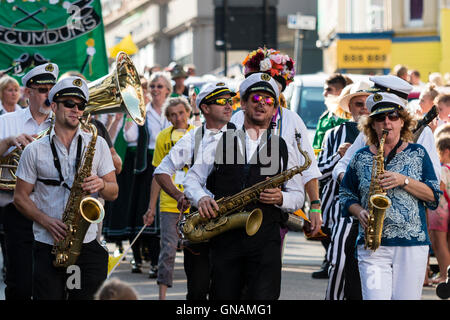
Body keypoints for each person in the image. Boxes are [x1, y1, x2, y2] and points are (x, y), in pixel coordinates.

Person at [183, 73, 304, 300]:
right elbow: (192, 180)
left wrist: (281, 199)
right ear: (244, 105)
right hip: (225, 236)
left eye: (268, 101)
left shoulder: (284, 147)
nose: (262, 104)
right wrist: (202, 198)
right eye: (256, 98)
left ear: (274, 110)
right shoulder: (218, 139)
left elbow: (298, 195)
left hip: (265, 239)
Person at [13, 76, 118, 299]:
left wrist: (101, 184)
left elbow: (114, 191)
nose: (76, 110)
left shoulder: (96, 143)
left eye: (80, 105)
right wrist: (46, 221)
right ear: (54, 106)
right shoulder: (34, 150)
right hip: (47, 244)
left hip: (86, 244)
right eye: (69, 104)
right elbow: (20, 198)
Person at [339, 91, 441, 300]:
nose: (387, 123)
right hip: (373, 247)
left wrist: (403, 180)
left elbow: (433, 196)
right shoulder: (361, 156)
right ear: (372, 125)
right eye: (380, 118)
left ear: (402, 122)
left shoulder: (418, 153)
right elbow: (346, 193)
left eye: (393, 117)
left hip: (411, 246)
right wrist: (358, 211)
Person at [149, 82, 236, 300]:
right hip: (200, 222)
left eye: (230, 101)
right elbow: (161, 171)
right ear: (205, 108)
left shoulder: (242, 134)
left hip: (231, 222)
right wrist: (179, 195)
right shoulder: (193, 137)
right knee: (197, 289)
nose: (228, 106)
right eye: (222, 101)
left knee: (226, 291)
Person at [237, 47, 323, 243]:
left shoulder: (293, 120)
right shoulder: (236, 119)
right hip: (239, 210)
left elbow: (308, 166)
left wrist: (315, 206)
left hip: (277, 209)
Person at [0, 62, 58, 300]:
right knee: (20, 283)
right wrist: (9, 142)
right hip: (17, 209)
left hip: (54, 207)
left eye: (52, 90)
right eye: (43, 90)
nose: (48, 96)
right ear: (28, 93)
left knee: (50, 283)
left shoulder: (62, 122)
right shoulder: (7, 122)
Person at [318, 81, 371, 300]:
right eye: (359, 104)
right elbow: (318, 173)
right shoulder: (333, 134)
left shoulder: (382, 132)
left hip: (374, 215)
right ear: (349, 107)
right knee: (339, 267)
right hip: (341, 215)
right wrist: (339, 156)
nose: (364, 109)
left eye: (368, 103)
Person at [143, 97, 195, 299]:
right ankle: (162, 295)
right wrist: (150, 208)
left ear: (188, 112)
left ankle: (195, 293)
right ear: (167, 117)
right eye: (172, 115)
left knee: (194, 250)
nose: (178, 117)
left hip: (193, 203)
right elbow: (157, 175)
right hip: (169, 203)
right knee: (168, 251)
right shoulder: (163, 137)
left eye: (181, 113)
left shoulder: (197, 134)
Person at [123, 71, 172, 275]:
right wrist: (128, 115)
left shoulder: (174, 110)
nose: (155, 90)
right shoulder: (141, 111)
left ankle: (156, 261)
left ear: (168, 91)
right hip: (147, 166)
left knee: (164, 214)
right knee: (142, 212)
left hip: (169, 165)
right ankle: (139, 259)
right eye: (152, 86)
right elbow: (130, 137)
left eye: (160, 86)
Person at [428, 130, 450, 284]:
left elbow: (440, 188)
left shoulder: (443, 169)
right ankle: (445, 273)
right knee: (444, 243)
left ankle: (445, 275)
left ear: (445, 151)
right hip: (445, 210)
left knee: (439, 244)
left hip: (439, 210)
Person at [312, 73, 351, 151]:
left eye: (329, 89)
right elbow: (316, 148)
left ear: (341, 92)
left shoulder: (351, 118)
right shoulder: (324, 119)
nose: (324, 94)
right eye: (324, 90)